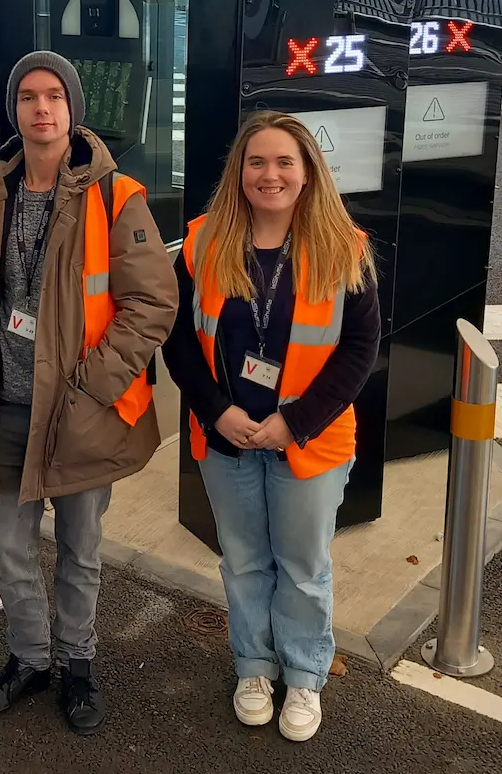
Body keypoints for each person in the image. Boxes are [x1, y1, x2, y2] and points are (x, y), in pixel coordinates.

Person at [0, 51, 179, 735]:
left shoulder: (116, 196)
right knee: (9, 548)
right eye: (27, 98)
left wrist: (93, 387)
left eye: (53, 97)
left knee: (80, 546)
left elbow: (151, 304)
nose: (41, 109)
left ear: (73, 109)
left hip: (79, 413)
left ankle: (78, 663)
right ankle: (30, 658)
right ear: (13, 110)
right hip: (5, 408)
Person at [161, 110, 380, 742]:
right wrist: (215, 411)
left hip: (309, 441)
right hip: (226, 437)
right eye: (257, 161)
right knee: (245, 560)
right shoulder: (203, 243)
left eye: (285, 161)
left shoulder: (346, 248)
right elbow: (177, 341)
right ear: (239, 171)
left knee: (304, 565)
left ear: (308, 173)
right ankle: (254, 666)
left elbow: (360, 349)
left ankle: (305, 676)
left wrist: (295, 422)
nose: (270, 174)